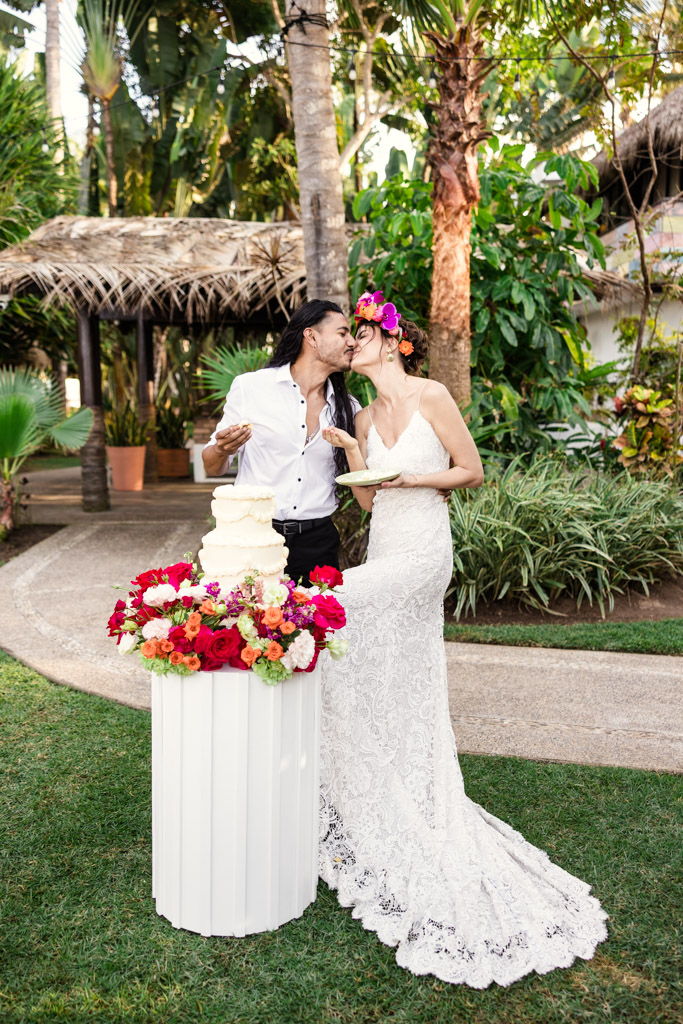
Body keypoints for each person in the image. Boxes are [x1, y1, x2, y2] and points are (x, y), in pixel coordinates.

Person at [319, 290, 608, 989]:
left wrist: (412, 477)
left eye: (359, 336)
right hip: (385, 537)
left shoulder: (431, 395)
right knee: (380, 659)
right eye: (347, 339)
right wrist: (355, 450)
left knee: (327, 607)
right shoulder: (360, 412)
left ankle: (376, 770)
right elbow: (366, 498)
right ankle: (382, 764)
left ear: (392, 343)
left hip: (422, 549)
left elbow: (470, 471)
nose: (349, 346)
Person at [202, 300, 361, 586]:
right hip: (253, 537)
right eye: (342, 333)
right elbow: (212, 466)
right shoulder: (251, 388)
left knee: (316, 630)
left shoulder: (349, 408)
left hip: (318, 543)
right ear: (311, 337)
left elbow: (369, 471)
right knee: (248, 626)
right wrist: (222, 449)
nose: (352, 342)